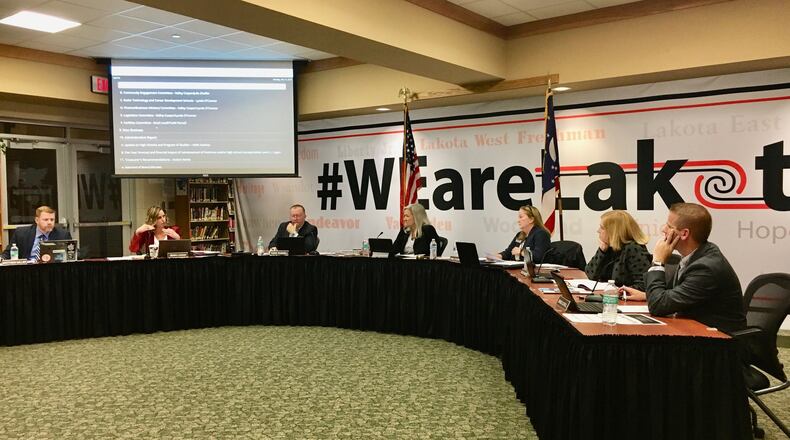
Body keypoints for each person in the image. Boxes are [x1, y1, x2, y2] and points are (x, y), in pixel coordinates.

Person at [620, 203, 746, 333]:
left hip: (720, 343)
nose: (663, 229)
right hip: (694, 332)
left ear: (684, 233)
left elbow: (658, 306)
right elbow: (673, 296)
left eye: (669, 226)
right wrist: (647, 295)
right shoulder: (695, 255)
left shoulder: (706, 267)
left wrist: (657, 262)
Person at [584, 210, 651, 290]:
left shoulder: (633, 248)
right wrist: (601, 251)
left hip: (626, 300)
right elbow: (590, 275)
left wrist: (617, 291)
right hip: (610, 298)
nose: (598, 231)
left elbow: (644, 285)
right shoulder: (610, 246)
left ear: (613, 231)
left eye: (602, 228)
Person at [2, 205, 71, 260]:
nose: (49, 222)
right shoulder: (21, 233)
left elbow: (73, 252)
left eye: (52, 220)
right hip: (27, 270)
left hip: (52, 270)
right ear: (37, 220)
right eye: (46, 220)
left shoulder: (63, 234)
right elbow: (8, 253)